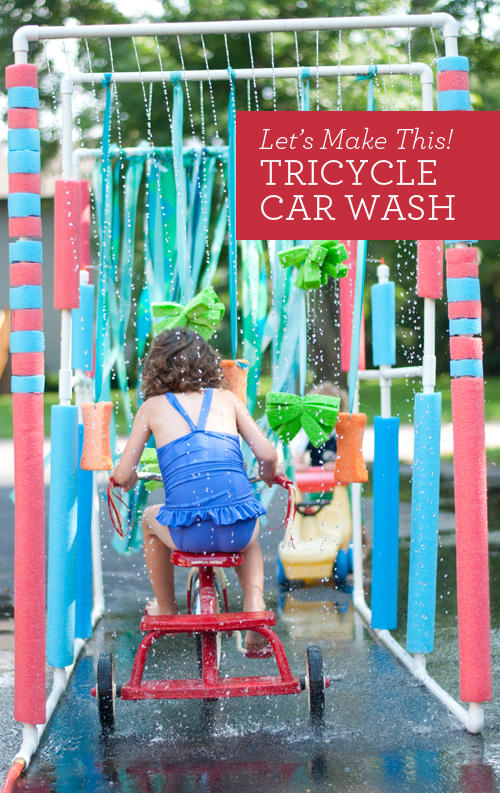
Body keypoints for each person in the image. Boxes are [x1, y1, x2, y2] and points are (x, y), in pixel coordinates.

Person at [112, 328, 279, 650]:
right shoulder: (227, 399)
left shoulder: (151, 407)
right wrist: (269, 473)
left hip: (188, 535)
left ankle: (166, 608)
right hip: (237, 533)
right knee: (250, 535)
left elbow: (122, 475)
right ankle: (254, 606)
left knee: (150, 518)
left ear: (156, 367)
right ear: (209, 363)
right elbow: (267, 454)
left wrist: (126, 479)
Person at [292, 381, 348, 471]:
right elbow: (296, 462)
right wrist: (299, 466)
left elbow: (348, 462)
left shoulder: (340, 431)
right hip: (315, 478)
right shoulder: (308, 431)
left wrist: (338, 465)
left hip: (337, 480)